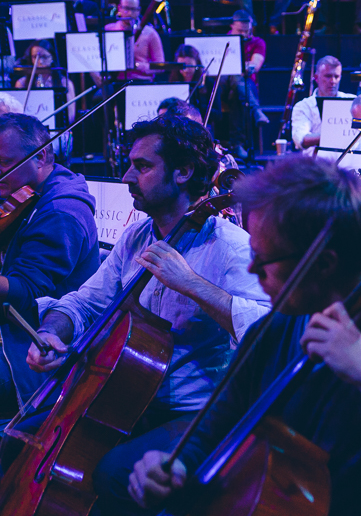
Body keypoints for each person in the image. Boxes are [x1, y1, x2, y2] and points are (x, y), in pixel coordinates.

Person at [125, 156, 361, 516]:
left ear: (324, 262)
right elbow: (213, 431)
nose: (253, 270)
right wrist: (175, 469)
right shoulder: (275, 329)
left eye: (265, 259)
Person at [8, 116, 270, 508]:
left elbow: (266, 331)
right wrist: (53, 331)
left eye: (143, 166)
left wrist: (192, 284)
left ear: (183, 172)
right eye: (130, 163)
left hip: (193, 409)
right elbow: (85, 302)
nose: (128, 176)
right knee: (15, 441)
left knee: (115, 473)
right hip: (124, 397)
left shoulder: (231, 246)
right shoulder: (137, 236)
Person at [0, 114, 98, 419]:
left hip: (31, 343)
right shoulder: (29, 193)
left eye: (4, 163)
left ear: (41, 156)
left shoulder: (60, 211)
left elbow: (23, 291)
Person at [218, 10, 269, 159]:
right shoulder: (222, 41)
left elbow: (255, 65)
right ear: (232, 26)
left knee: (238, 88)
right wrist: (238, 66)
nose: (244, 34)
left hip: (244, 85)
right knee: (234, 77)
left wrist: (239, 67)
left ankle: (237, 145)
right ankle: (256, 111)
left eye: (247, 31)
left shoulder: (258, 42)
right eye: (240, 31)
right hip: (221, 86)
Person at [291, 55, 356, 156]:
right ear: (316, 78)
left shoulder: (352, 101)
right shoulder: (303, 106)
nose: (333, 81)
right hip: (316, 166)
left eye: (336, 76)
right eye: (328, 76)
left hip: (349, 164)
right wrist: (336, 136)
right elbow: (301, 139)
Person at [101, 0, 165, 83]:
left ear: (139, 10)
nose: (130, 13)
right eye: (126, 8)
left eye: (133, 9)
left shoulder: (150, 33)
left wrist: (138, 66)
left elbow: (161, 66)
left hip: (142, 82)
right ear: (119, 8)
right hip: (115, 81)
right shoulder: (109, 30)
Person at [15, 40, 77, 122]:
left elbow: (71, 115)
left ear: (52, 57)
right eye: (35, 57)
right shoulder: (22, 83)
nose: (39, 61)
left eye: (44, 56)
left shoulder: (65, 83)